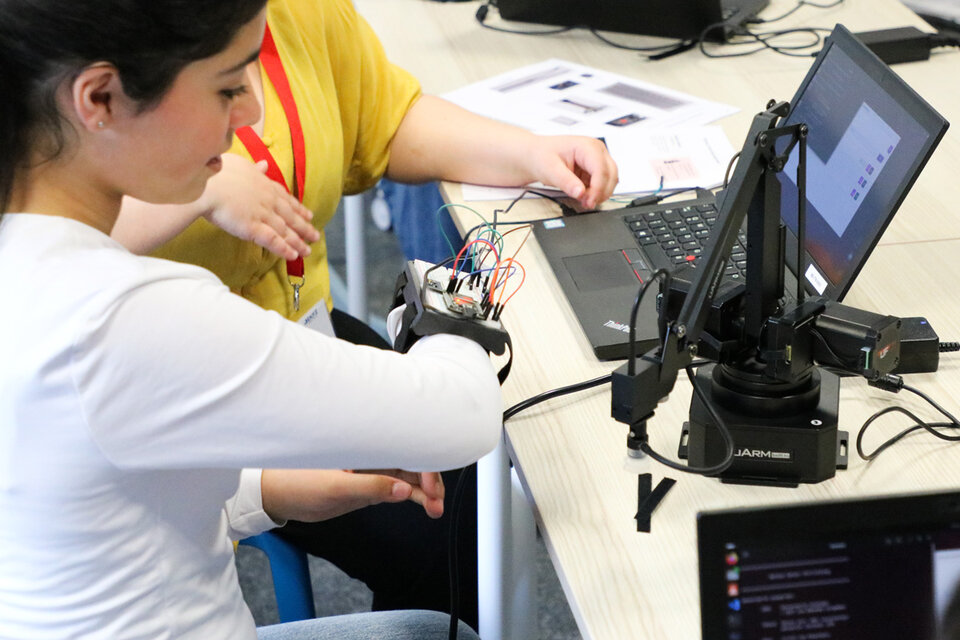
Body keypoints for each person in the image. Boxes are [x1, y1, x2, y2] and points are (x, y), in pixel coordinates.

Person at [0, 2, 505, 638]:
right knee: (434, 628)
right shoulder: (132, 315)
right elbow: (461, 415)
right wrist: (452, 300)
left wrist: (270, 489)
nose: (250, 113)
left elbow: (99, 495)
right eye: (228, 87)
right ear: (99, 97)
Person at [109, 0, 620, 629]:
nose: (248, 109)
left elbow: (380, 119)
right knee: (446, 521)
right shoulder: (75, 311)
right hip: (187, 399)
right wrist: (199, 189)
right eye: (227, 89)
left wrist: (528, 154)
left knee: (460, 492)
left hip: (293, 337)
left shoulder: (300, 15)